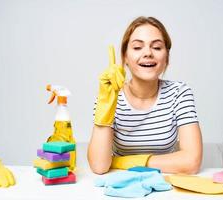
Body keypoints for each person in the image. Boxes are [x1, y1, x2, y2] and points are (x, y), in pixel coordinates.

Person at [87, 16, 202, 175]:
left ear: (166, 57)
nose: (148, 53)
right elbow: (99, 166)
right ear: (125, 57)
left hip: (165, 182)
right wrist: (106, 104)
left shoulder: (179, 93)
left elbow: (191, 162)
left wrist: (124, 162)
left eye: (156, 47)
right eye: (137, 47)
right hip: (120, 181)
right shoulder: (110, 95)